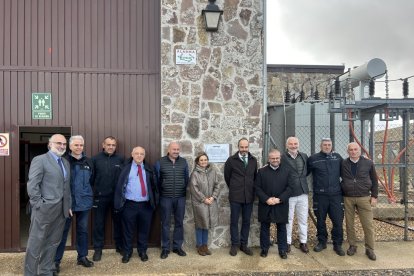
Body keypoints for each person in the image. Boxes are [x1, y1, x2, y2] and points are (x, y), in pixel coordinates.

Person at [24, 134, 72, 276]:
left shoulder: (65, 163)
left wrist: (68, 205)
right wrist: (38, 204)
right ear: (49, 144)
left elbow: (66, 187)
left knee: (53, 243)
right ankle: (30, 273)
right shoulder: (40, 160)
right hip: (44, 209)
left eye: (64, 144)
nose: (62, 146)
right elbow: (32, 184)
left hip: (61, 210)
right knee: (35, 244)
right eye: (59, 143)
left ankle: (46, 271)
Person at [54, 135, 94, 273]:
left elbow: (92, 181)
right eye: (76, 145)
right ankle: (56, 261)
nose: (79, 148)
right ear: (70, 146)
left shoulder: (89, 162)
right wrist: (65, 202)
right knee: (62, 232)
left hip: (84, 203)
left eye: (81, 145)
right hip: (67, 203)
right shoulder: (63, 161)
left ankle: (82, 257)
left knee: (82, 231)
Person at [114, 146, 159, 263]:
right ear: (132, 154)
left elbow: (155, 187)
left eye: (141, 154)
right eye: (137, 153)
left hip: (146, 205)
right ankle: (127, 252)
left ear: (144, 156)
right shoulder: (125, 168)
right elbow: (119, 186)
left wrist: (155, 201)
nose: (139, 156)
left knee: (144, 230)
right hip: (129, 205)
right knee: (127, 230)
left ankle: (142, 251)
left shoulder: (149, 169)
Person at [307, 138, 345, 256]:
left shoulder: (338, 158)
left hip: (336, 195)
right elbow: (303, 173)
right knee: (320, 220)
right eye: (325, 145)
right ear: (320, 146)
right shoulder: (313, 159)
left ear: (332, 146)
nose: (327, 146)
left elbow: (347, 170)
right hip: (320, 195)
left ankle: (337, 244)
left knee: (338, 221)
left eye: (329, 145)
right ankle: (322, 242)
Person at [341, 142, 378, 261]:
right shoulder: (343, 163)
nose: (353, 151)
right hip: (348, 197)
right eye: (351, 150)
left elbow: (374, 179)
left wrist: (374, 196)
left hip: (364, 197)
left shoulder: (368, 163)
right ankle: (352, 245)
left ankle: (370, 248)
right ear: (348, 152)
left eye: (355, 149)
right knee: (349, 223)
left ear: (360, 150)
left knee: (368, 224)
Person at [91, 136, 124, 261]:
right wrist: (95, 193)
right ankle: (98, 249)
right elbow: (91, 178)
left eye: (113, 145)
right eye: (108, 144)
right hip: (100, 197)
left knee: (118, 222)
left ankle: (119, 246)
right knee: (98, 224)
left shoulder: (121, 159)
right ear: (103, 145)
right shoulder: (95, 159)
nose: (111, 147)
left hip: (116, 197)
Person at [255, 149, 292, 259]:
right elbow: (257, 187)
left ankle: (282, 250)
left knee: (281, 227)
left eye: (277, 158)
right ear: (268, 159)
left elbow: (290, 188)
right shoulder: (261, 171)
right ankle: (264, 249)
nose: (275, 160)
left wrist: (279, 199)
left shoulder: (287, 171)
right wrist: (266, 199)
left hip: (281, 204)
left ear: (280, 158)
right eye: (273, 158)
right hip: (266, 204)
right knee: (265, 227)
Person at [155, 141, 189, 259]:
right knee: (165, 223)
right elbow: (157, 180)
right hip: (165, 198)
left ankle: (177, 247)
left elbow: (186, 178)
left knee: (179, 222)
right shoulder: (160, 162)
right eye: (173, 149)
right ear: (168, 150)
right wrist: (162, 191)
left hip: (180, 197)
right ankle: (165, 248)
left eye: (177, 149)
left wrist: (181, 191)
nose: (176, 151)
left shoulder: (184, 162)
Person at [224, 138, 258, 256]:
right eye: (242, 147)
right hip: (235, 196)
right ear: (238, 147)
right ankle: (234, 244)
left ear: (248, 147)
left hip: (248, 196)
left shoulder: (253, 160)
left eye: (246, 147)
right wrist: (235, 187)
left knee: (246, 221)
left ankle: (244, 244)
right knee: (234, 221)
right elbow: (227, 177)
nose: (244, 150)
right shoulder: (231, 160)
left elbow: (255, 177)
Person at [281, 136, 309, 253]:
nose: (293, 146)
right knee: (288, 219)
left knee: (303, 219)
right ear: (287, 145)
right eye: (291, 144)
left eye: (295, 144)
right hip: (289, 193)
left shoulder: (304, 156)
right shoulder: (282, 158)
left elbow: (307, 171)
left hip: (303, 192)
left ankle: (303, 242)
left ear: (298, 144)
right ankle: (287, 242)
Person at [189, 152, 220, 256]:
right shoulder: (195, 174)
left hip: (210, 202)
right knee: (200, 225)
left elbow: (217, 185)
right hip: (199, 203)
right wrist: (204, 199)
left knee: (206, 225)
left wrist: (213, 197)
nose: (203, 162)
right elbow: (194, 189)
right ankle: (199, 245)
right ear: (198, 161)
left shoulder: (213, 172)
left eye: (205, 160)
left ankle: (205, 246)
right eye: (201, 160)